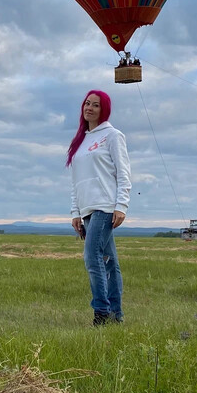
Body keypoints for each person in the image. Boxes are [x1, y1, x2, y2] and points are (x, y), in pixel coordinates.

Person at [67, 89, 131, 326]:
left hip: (106, 206)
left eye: (95, 105)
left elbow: (124, 173)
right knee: (110, 262)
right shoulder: (80, 141)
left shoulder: (113, 136)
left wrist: (121, 205)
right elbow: (76, 181)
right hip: (87, 210)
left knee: (92, 257)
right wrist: (75, 212)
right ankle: (116, 315)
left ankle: (101, 313)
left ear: (103, 110)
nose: (89, 108)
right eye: (87, 103)